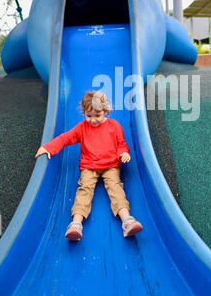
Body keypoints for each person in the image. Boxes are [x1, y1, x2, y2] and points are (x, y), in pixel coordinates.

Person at [35, 91, 143, 241]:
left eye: (97, 116)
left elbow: (121, 144)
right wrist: (49, 147)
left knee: (115, 187)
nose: (93, 120)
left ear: (105, 111)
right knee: (84, 190)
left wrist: (124, 153)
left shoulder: (114, 126)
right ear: (84, 113)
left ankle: (127, 221)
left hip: (111, 165)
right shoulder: (82, 128)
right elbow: (66, 138)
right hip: (89, 166)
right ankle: (76, 224)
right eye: (88, 116)